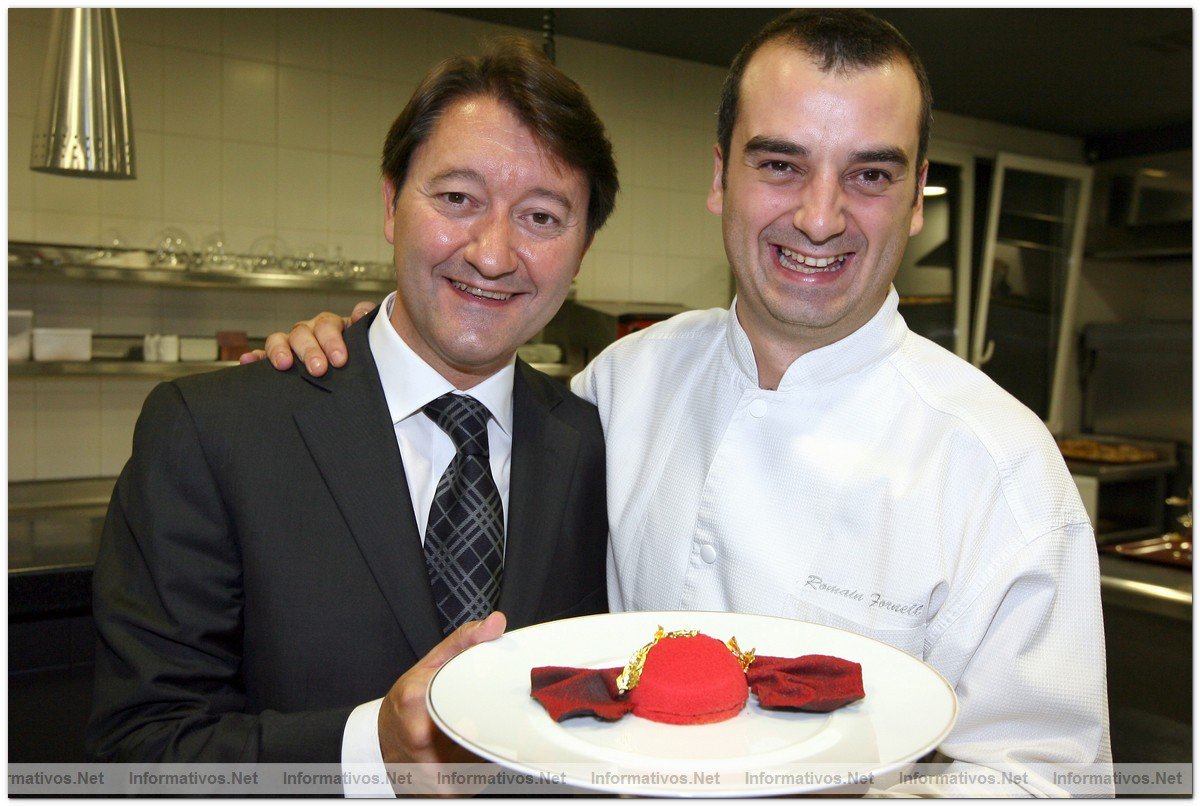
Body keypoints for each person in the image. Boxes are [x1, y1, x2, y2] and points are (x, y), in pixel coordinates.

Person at [252, 10, 1112, 797]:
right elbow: (462, 396)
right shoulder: (626, 381)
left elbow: (1050, 782)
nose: (818, 218)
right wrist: (362, 352)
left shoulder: (1001, 469)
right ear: (720, 177)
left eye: (870, 175)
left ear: (916, 197)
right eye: (780, 164)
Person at [85, 36, 617, 794]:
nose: (493, 254)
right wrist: (371, 749)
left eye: (542, 217)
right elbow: (136, 751)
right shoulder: (214, 432)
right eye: (457, 198)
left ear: (583, 247)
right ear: (391, 204)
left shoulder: (592, 444)